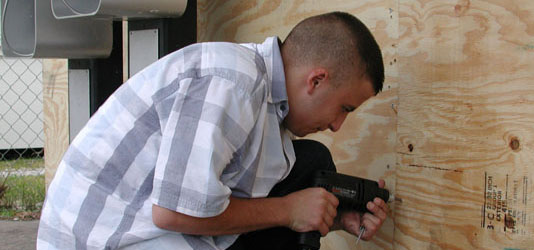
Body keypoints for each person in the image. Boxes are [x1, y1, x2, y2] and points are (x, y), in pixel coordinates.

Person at [37, 11, 388, 250]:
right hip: (103, 239)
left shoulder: (269, 105)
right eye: (345, 108)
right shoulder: (231, 81)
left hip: (153, 229)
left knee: (312, 165)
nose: (338, 125)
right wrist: (289, 211)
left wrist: (334, 217)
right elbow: (175, 212)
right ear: (316, 80)